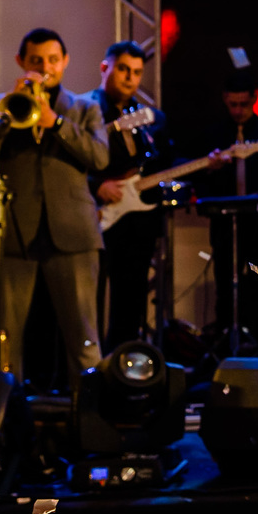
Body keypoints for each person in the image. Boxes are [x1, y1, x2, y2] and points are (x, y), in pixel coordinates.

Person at [0, 28, 109, 390]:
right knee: (4, 345)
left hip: (73, 234)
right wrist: (11, 109)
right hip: (11, 231)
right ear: (21, 63)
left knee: (84, 340)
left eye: (53, 60)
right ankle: (7, 432)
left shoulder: (85, 108)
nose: (45, 68)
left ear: (65, 63)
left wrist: (56, 124)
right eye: (36, 61)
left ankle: (89, 429)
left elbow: (100, 158)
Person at [86, 40, 175, 351]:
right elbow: (65, 163)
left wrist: (209, 163)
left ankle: (124, 365)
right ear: (104, 68)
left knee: (131, 297)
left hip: (138, 221)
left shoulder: (152, 118)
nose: (129, 78)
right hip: (93, 216)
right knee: (89, 298)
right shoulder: (83, 109)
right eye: (123, 69)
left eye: (137, 72)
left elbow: (166, 162)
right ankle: (88, 367)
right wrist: (96, 185)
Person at [198, 68, 258, 348]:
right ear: (224, 99)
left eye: (244, 104)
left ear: (254, 99)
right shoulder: (213, 135)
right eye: (233, 104)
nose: (239, 111)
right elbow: (198, 179)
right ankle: (225, 348)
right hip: (225, 227)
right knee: (225, 289)